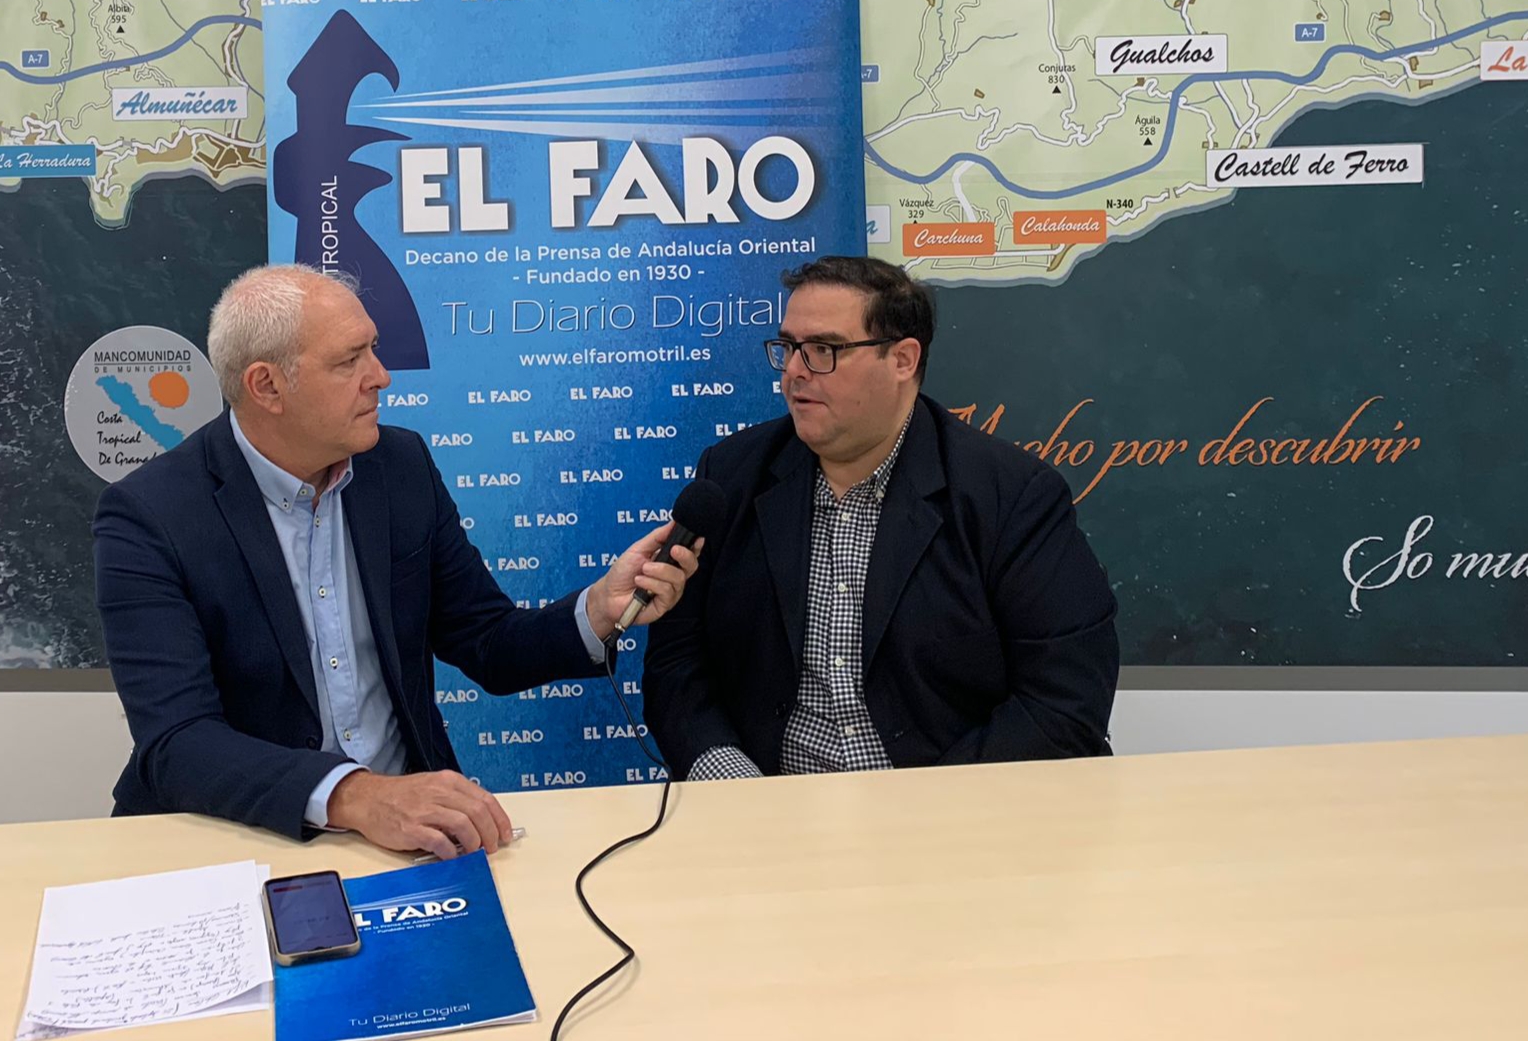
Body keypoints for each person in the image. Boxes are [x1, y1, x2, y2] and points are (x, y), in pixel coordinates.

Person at [93, 264, 698, 855]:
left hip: (404, 840)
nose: (380, 376)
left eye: (374, 350)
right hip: (234, 837)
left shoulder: (400, 467)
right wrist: (357, 796)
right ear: (267, 387)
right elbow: (179, 741)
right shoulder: (150, 515)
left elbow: (486, 639)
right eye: (348, 360)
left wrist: (599, 610)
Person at [644, 255, 1118, 779]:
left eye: (824, 350)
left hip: (950, 805)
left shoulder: (1011, 496)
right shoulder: (731, 476)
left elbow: (1064, 700)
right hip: (772, 807)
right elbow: (677, 663)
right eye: (789, 347)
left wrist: (920, 810)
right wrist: (735, 783)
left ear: (903, 360)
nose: (795, 371)